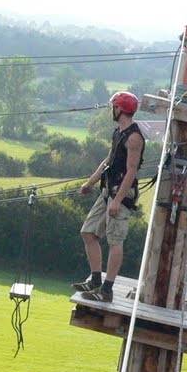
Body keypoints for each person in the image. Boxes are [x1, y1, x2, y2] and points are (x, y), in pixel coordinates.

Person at [72, 91, 145, 302]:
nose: (111, 110)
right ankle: (95, 279)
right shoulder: (119, 132)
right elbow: (108, 160)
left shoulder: (134, 137)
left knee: (115, 241)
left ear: (120, 109)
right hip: (107, 191)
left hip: (120, 195)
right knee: (88, 232)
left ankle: (107, 289)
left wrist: (118, 200)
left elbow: (131, 171)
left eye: (114, 107)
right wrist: (90, 182)